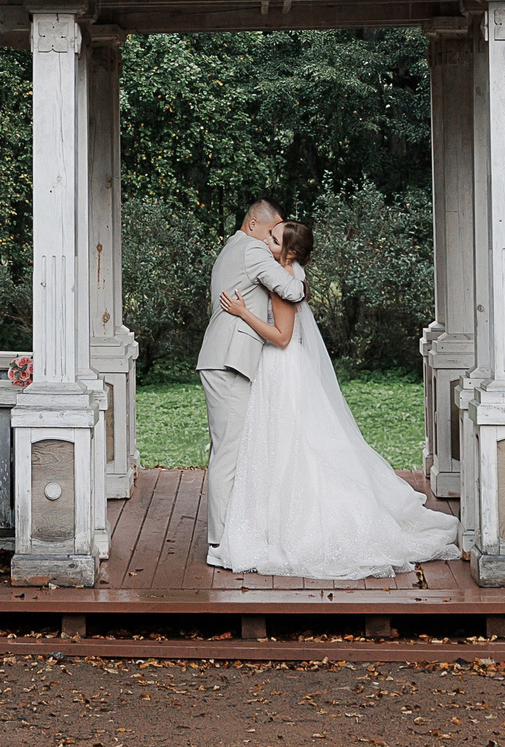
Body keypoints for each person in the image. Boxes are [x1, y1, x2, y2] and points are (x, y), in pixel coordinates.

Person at [211, 220, 461, 580]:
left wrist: (244, 314)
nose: (265, 240)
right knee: (281, 447)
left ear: (290, 251)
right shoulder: (287, 274)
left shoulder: (285, 281)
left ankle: (292, 524)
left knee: (288, 447)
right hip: (282, 368)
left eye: (273, 238)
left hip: (280, 367)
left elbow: (282, 337)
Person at [195, 198, 306, 568]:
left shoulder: (231, 246)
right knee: (228, 452)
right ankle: (222, 541)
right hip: (229, 360)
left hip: (221, 358)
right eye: (272, 232)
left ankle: (228, 533)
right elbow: (291, 291)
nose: (272, 240)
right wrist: (303, 283)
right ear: (254, 224)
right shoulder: (253, 251)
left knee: (225, 448)